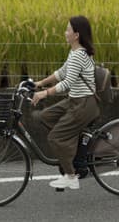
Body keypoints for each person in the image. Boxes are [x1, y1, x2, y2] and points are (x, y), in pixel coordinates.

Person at [31, 15, 100, 190]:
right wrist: (40, 83)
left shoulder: (79, 55)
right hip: (74, 101)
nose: (65, 32)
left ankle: (71, 176)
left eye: (68, 29)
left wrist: (44, 93)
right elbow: (61, 73)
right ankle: (72, 147)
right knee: (44, 116)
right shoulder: (75, 52)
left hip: (83, 105)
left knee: (55, 137)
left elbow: (67, 82)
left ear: (76, 35)